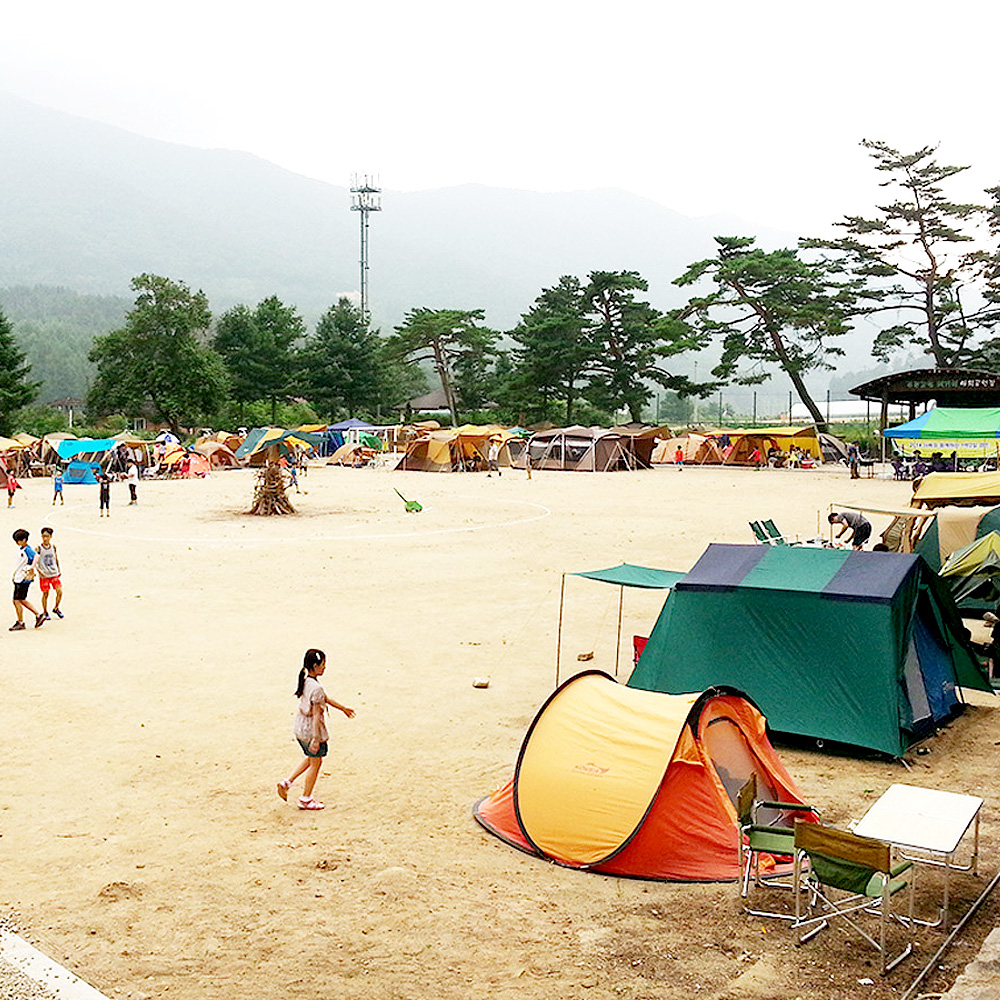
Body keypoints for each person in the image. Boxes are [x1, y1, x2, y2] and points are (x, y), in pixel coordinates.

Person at [276, 648, 355, 811]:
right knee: (316, 762)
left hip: (300, 727)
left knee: (311, 757)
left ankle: (287, 782)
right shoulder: (316, 688)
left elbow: (325, 699)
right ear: (315, 665)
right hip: (310, 730)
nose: (325, 668)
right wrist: (316, 738)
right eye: (323, 664)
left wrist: (343, 708)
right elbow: (317, 716)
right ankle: (306, 798)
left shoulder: (305, 680)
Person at [10, 528, 44, 630]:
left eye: (19, 540)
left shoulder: (27, 550)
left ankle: (21, 621)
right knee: (20, 600)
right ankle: (37, 615)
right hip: (21, 577)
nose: (17, 542)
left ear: (24, 540)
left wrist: (33, 567)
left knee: (17, 600)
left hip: (23, 578)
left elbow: (36, 556)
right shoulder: (24, 549)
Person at [36, 526, 64, 619]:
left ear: (51, 536)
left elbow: (56, 559)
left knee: (59, 591)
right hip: (44, 575)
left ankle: (56, 607)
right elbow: (34, 561)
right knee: (45, 594)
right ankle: (45, 611)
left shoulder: (53, 547)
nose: (45, 538)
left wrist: (58, 570)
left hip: (53, 573)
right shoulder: (39, 548)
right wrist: (39, 571)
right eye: (43, 536)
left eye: (47, 536)